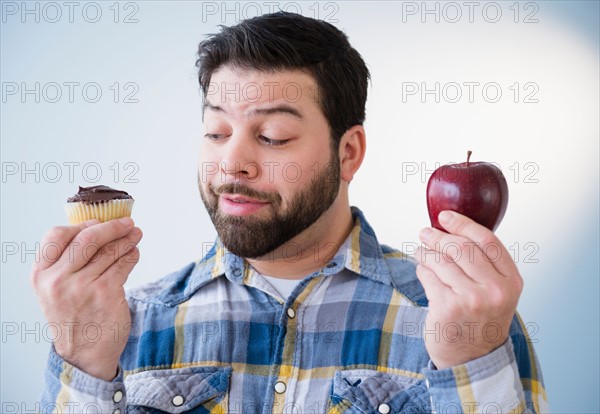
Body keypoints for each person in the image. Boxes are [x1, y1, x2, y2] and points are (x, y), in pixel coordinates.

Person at [32, 11, 548, 413]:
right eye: (216, 132)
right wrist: (83, 365)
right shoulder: (125, 324)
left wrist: (471, 365)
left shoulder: (465, 316)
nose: (233, 163)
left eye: (273, 136)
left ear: (348, 153)